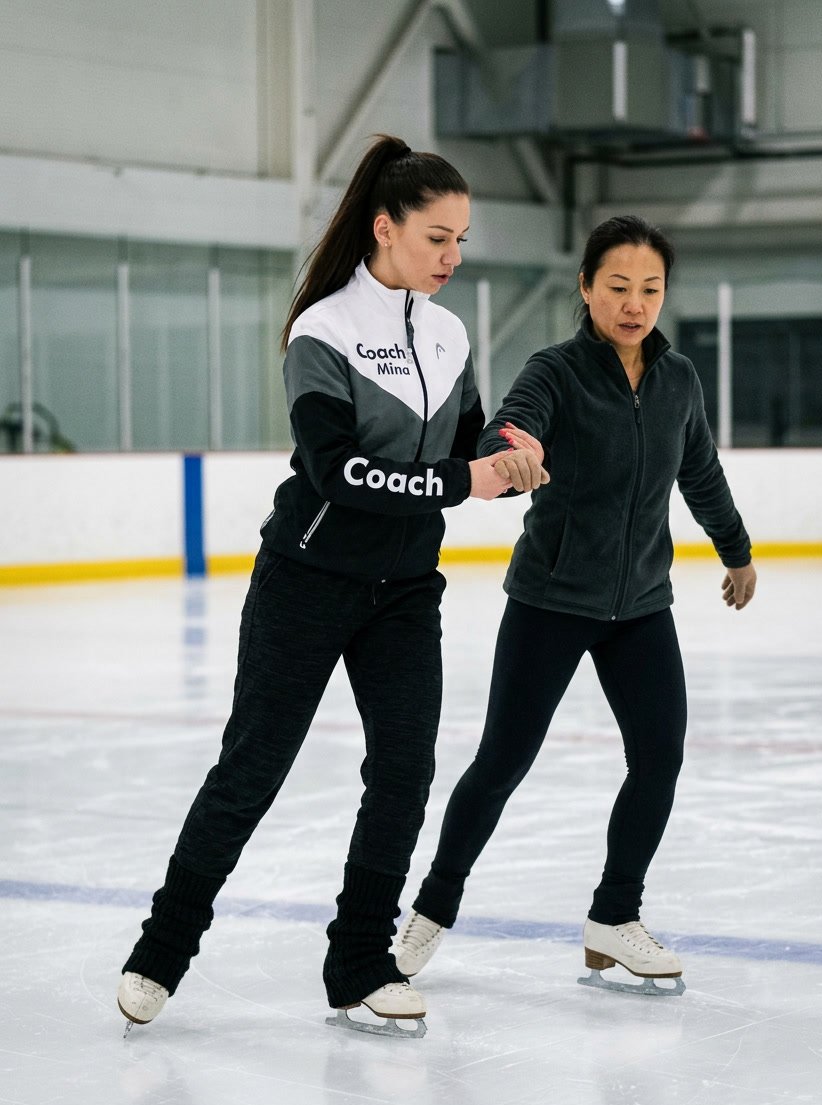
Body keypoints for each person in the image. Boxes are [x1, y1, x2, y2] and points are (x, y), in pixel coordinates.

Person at [117, 134, 545, 1038]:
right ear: (385, 229)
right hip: (306, 582)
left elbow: (469, 441)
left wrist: (508, 448)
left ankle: (358, 962)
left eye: (461, 239)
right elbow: (335, 471)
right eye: (438, 238)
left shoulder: (448, 332)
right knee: (251, 772)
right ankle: (163, 948)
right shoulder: (324, 331)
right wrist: (462, 483)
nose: (452, 258)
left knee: (404, 773)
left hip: (404, 591)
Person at [393, 214, 757, 995]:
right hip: (553, 599)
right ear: (586, 287)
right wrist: (507, 453)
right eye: (618, 286)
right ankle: (430, 908)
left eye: (650, 289)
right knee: (501, 763)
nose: (634, 304)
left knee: (659, 758)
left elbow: (701, 472)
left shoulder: (678, 381)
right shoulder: (556, 370)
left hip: (641, 608)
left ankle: (613, 918)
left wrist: (737, 549)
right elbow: (509, 426)